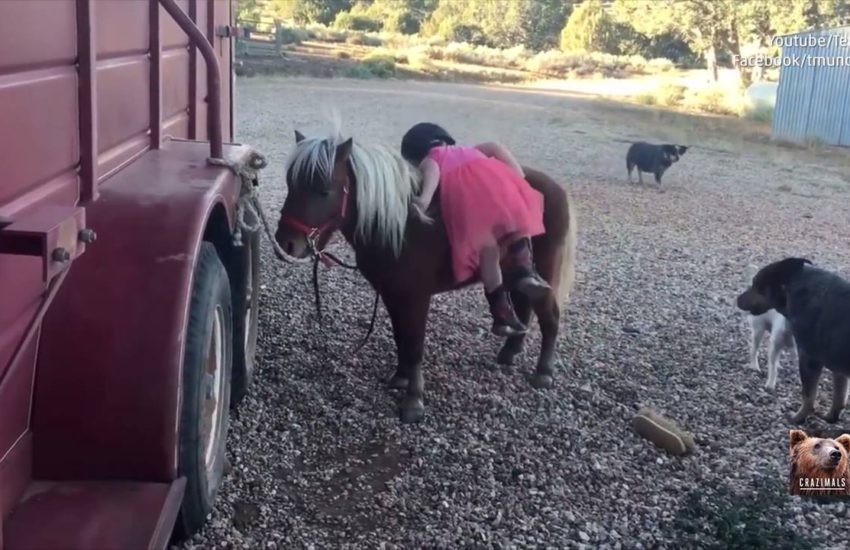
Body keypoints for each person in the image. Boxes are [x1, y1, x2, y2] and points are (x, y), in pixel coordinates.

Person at [400, 122, 550, 337]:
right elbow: (495, 147)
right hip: (498, 192)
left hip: (469, 212)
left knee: (488, 254)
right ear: (445, 139)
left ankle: (501, 314)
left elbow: (431, 176)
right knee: (519, 226)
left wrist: (423, 201)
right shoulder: (471, 150)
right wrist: (517, 176)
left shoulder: (430, 159)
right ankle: (525, 272)